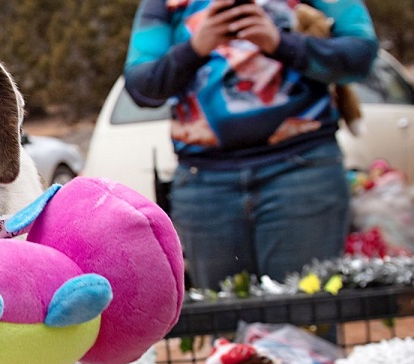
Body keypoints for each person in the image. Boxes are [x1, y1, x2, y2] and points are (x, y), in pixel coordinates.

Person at [124, 0, 378, 290]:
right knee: (225, 319)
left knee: (307, 319)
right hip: (205, 186)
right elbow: (140, 86)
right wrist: (195, 48)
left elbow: (363, 55)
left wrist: (279, 41)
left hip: (303, 170)